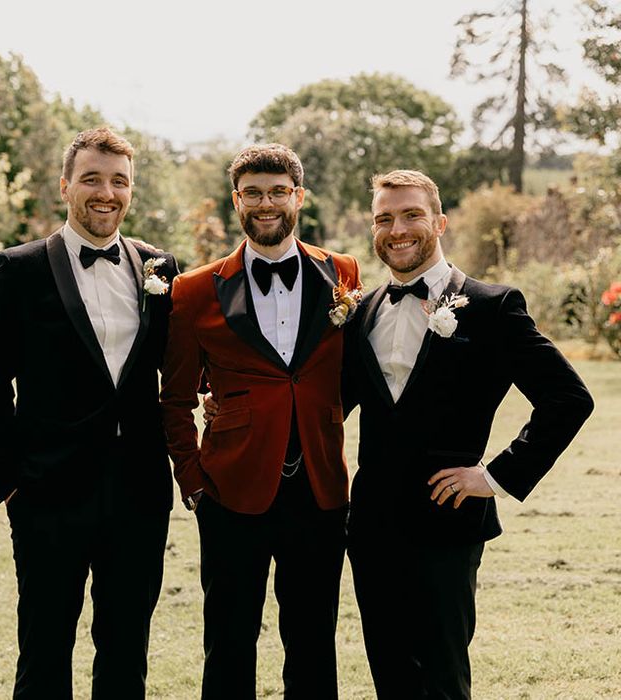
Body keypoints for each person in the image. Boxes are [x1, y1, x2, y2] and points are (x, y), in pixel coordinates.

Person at [342, 169, 594, 699]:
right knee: (389, 676)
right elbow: (326, 405)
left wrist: (496, 474)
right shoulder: (362, 312)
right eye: (383, 218)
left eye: (412, 214)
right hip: (370, 527)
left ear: (440, 222)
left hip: (447, 523)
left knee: (442, 678)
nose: (398, 229)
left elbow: (569, 398)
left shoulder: (492, 307)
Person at [0, 126, 179, 699]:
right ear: (66, 186)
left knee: (125, 648)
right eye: (91, 179)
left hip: (138, 493)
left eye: (119, 181)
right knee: (43, 650)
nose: (105, 193)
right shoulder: (17, 268)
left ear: (131, 190)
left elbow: (178, 367)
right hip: (46, 494)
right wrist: (8, 482)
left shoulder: (159, 267)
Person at [161, 143, 360, 700]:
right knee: (227, 643)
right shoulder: (195, 288)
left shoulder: (343, 272)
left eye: (277, 192)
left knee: (314, 642)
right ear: (236, 201)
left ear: (298, 197)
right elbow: (174, 399)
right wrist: (193, 483)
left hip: (319, 492)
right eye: (253, 193)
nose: (265, 203)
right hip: (229, 494)